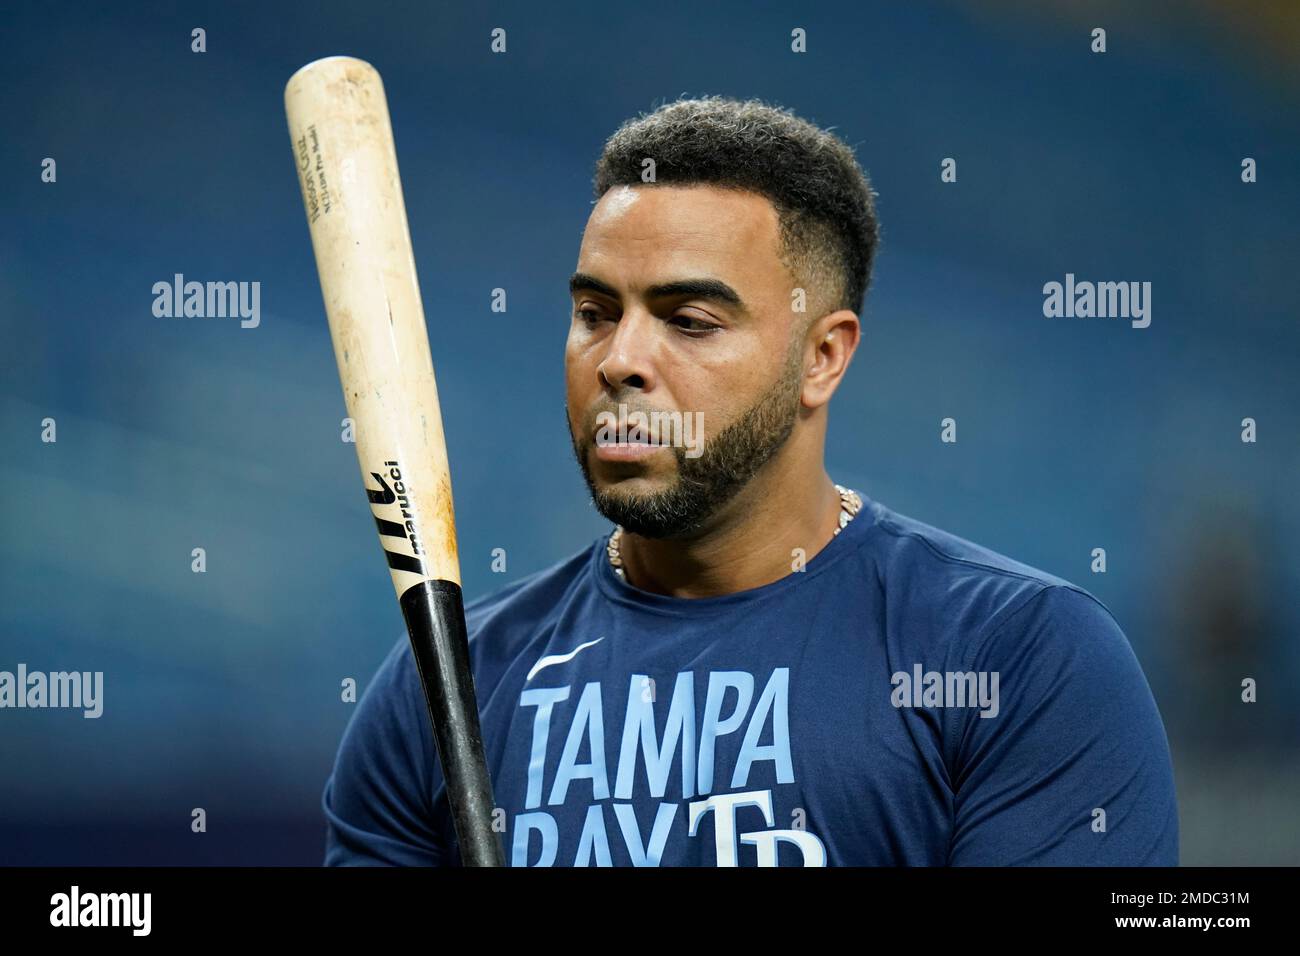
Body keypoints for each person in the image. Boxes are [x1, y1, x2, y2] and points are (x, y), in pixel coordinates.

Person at [323, 96, 1178, 866]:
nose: (620, 361)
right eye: (595, 314)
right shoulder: (447, 687)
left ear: (822, 356)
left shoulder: (1020, 657)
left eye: (689, 321)